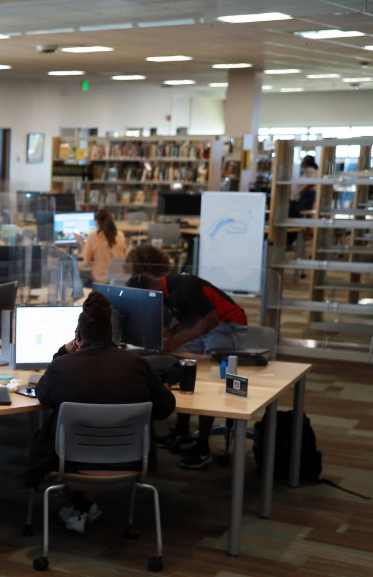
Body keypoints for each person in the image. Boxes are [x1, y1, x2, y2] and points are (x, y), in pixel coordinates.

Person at [27, 292, 176, 532]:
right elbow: (165, 409)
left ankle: (80, 503)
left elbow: (43, 396)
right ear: (111, 332)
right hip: (130, 459)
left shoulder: (62, 366)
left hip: (72, 460)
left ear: (79, 335)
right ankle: (84, 505)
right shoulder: (137, 363)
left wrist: (63, 352)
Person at [128, 244, 249, 470]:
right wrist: (173, 332)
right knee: (183, 368)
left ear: (150, 289)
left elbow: (210, 319)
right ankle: (182, 432)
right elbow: (190, 315)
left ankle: (203, 446)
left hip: (228, 324)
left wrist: (177, 340)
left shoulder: (184, 286)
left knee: (207, 379)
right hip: (207, 324)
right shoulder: (166, 293)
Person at [76, 208, 127, 284]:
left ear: (96, 222)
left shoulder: (93, 236)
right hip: (119, 281)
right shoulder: (120, 235)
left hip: (101, 282)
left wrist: (81, 243)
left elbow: (87, 262)